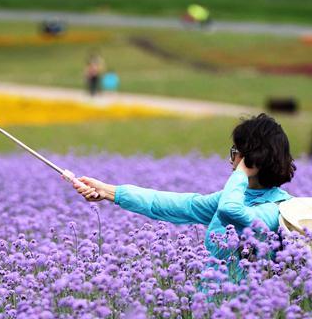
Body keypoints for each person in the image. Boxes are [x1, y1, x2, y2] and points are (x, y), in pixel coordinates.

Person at [70, 114, 295, 281]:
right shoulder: (236, 197)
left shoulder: (277, 209)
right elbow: (172, 204)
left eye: (235, 153)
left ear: (252, 161)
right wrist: (109, 191)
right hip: (210, 308)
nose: (231, 160)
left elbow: (231, 211)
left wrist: (241, 174)